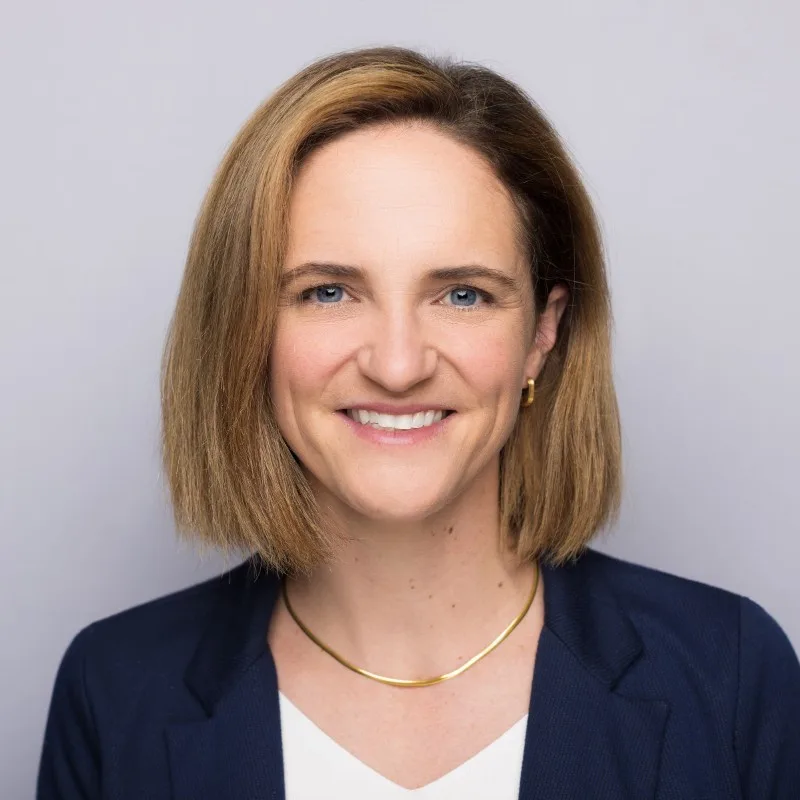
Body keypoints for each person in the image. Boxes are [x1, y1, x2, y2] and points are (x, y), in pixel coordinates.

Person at [37, 45, 800, 799]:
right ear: (246, 331)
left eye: (462, 294)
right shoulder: (115, 692)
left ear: (543, 332)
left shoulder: (730, 677)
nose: (398, 366)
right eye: (328, 292)